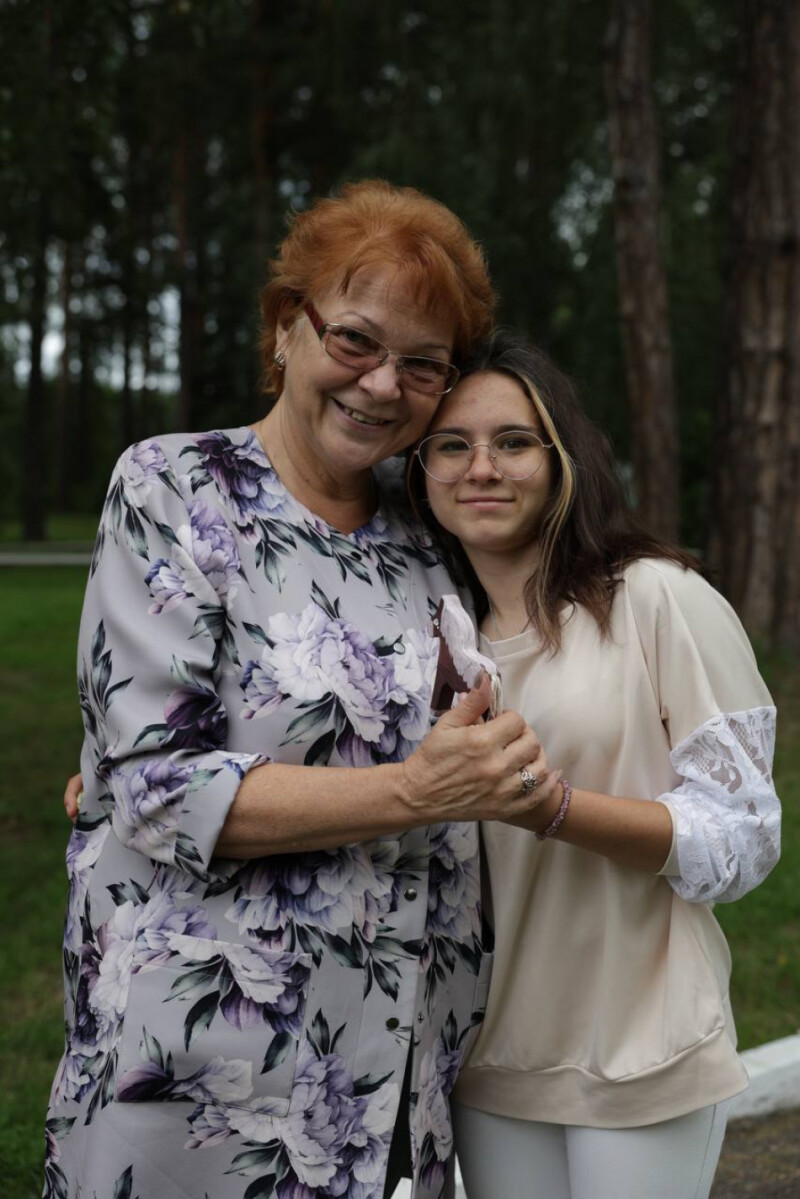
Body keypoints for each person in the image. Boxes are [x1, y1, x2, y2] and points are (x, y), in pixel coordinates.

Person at [44, 183, 553, 1199]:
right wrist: (414, 790)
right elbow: (154, 788)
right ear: (287, 327)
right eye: (356, 339)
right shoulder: (175, 489)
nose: (383, 384)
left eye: (423, 363)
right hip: (201, 1062)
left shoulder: (434, 523)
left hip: (393, 1065)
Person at [406, 330, 781, 1199]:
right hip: (488, 1051)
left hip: (642, 1041)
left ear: (561, 459)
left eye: (513, 441)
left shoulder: (653, 598)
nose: (481, 468)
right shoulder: (430, 633)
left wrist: (557, 809)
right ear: (420, 472)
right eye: (451, 446)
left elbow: (744, 837)